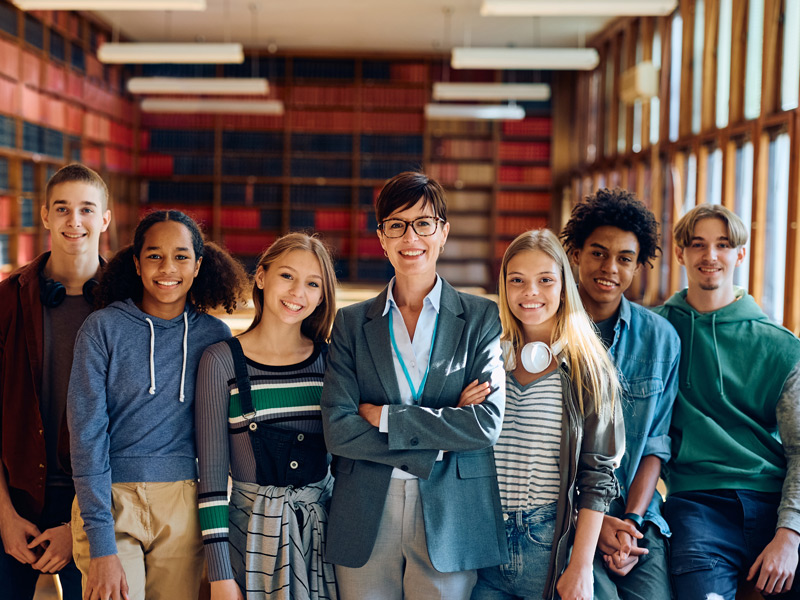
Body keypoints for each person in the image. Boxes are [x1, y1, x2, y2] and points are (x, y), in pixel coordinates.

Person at [320, 171, 508, 599]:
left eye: (423, 223)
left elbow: (484, 424)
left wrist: (385, 416)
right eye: (397, 225)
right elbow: (339, 428)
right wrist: (440, 434)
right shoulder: (351, 323)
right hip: (366, 507)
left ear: (442, 232)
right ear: (382, 238)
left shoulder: (480, 318)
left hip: (451, 512)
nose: (411, 237)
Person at [67, 210, 248, 600]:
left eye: (181, 256)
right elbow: (86, 436)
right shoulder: (103, 329)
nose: (168, 267)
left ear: (198, 265)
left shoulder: (215, 337)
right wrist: (101, 544)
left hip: (184, 505)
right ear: (136, 262)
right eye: (154, 255)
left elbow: (221, 436)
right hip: (111, 498)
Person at [653, 203, 800, 599]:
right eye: (698, 245)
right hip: (697, 504)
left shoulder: (781, 346)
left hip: (772, 500)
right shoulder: (655, 333)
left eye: (722, 244)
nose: (710, 256)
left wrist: (789, 536)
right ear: (680, 253)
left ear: (740, 254)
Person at [472, 228, 624, 600]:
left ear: (563, 286)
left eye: (545, 280)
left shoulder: (589, 367)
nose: (531, 293)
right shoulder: (486, 357)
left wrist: (581, 566)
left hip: (544, 544)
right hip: (481, 541)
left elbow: (597, 477)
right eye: (517, 280)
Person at [196, 233, 338, 600]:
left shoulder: (333, 361)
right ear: (261, 276)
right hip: (249, 541)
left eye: (312, 283)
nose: (297, 293)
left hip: (323, 541)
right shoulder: (220, 361)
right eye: (287, 276)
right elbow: (211, 481)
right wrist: (219, 576)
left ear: (322, 295)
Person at [560, 188, 680, 600]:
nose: (609, 267)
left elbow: (655, 446)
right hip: (562, 517)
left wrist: (629, 520)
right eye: (598, 252)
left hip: (636, 517)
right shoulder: (548, 332)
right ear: (575, 253)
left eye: (625, 258)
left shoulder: (661, 339)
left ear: (638, 265)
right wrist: (591, 522)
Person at [0, 163, 111, 600]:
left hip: (98, 505)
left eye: (86, 209)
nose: (74, 221)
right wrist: (3, 515)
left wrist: (80, 525)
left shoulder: (129, 307)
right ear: (44, 215)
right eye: (62, 209)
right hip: (15, 501)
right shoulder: (8, 300)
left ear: (105, 218)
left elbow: (137, 428)